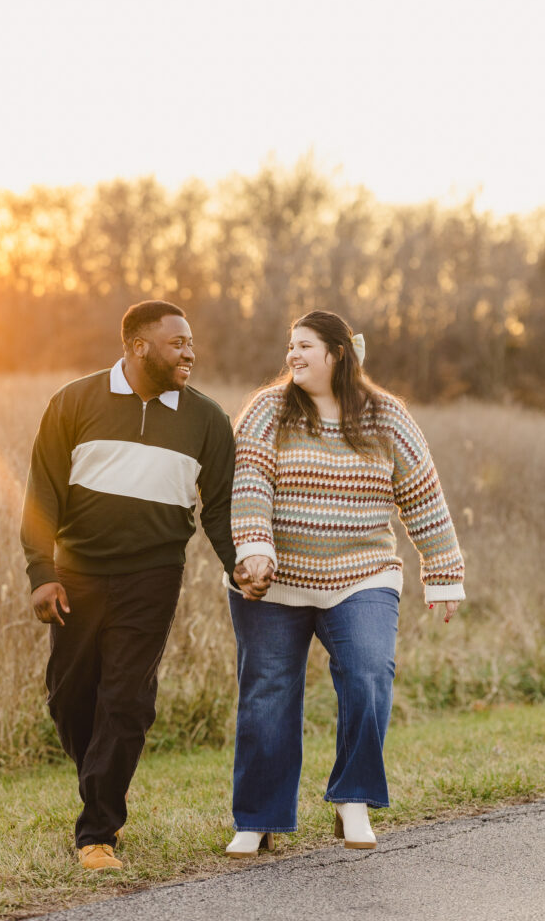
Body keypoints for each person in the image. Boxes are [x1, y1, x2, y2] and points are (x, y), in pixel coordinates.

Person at [20, 300, 262, 872]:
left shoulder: (206, 418)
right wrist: (41, 573)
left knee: (127, 700)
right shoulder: (74, 401)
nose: (190, 353)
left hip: (153, 574)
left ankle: (97, 832)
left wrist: (237, 565)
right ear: (137, 347)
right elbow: (41, 495)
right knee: (70, 696)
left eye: (191, 342)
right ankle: (103, 790)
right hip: (76, 573)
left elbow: (221, 508)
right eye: (177, 343)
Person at [224, 310, 465, 858]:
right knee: (267, 694)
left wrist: (444, 572)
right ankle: (258, 819)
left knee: (368, 673)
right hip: (276, 581)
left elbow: (423, 495)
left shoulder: (385, 416)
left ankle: (352, 800)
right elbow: (251, 480)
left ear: (337, 352)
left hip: (363, 575)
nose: (293, 355)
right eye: (290, 346)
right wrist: (256, 548)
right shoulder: (268, 409)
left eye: (305, 346)